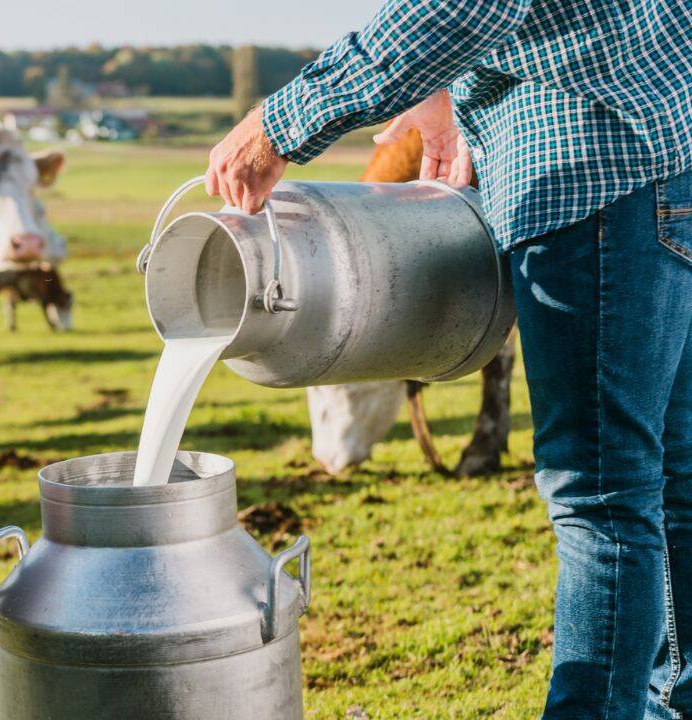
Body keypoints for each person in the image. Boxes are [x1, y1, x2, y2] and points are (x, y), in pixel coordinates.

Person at [207, 2, 692, 717]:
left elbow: (459, 8)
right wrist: (440, 92)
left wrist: (280, 122)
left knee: (601, 491)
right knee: (668, 472)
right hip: (660, 160)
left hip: (587, 166)